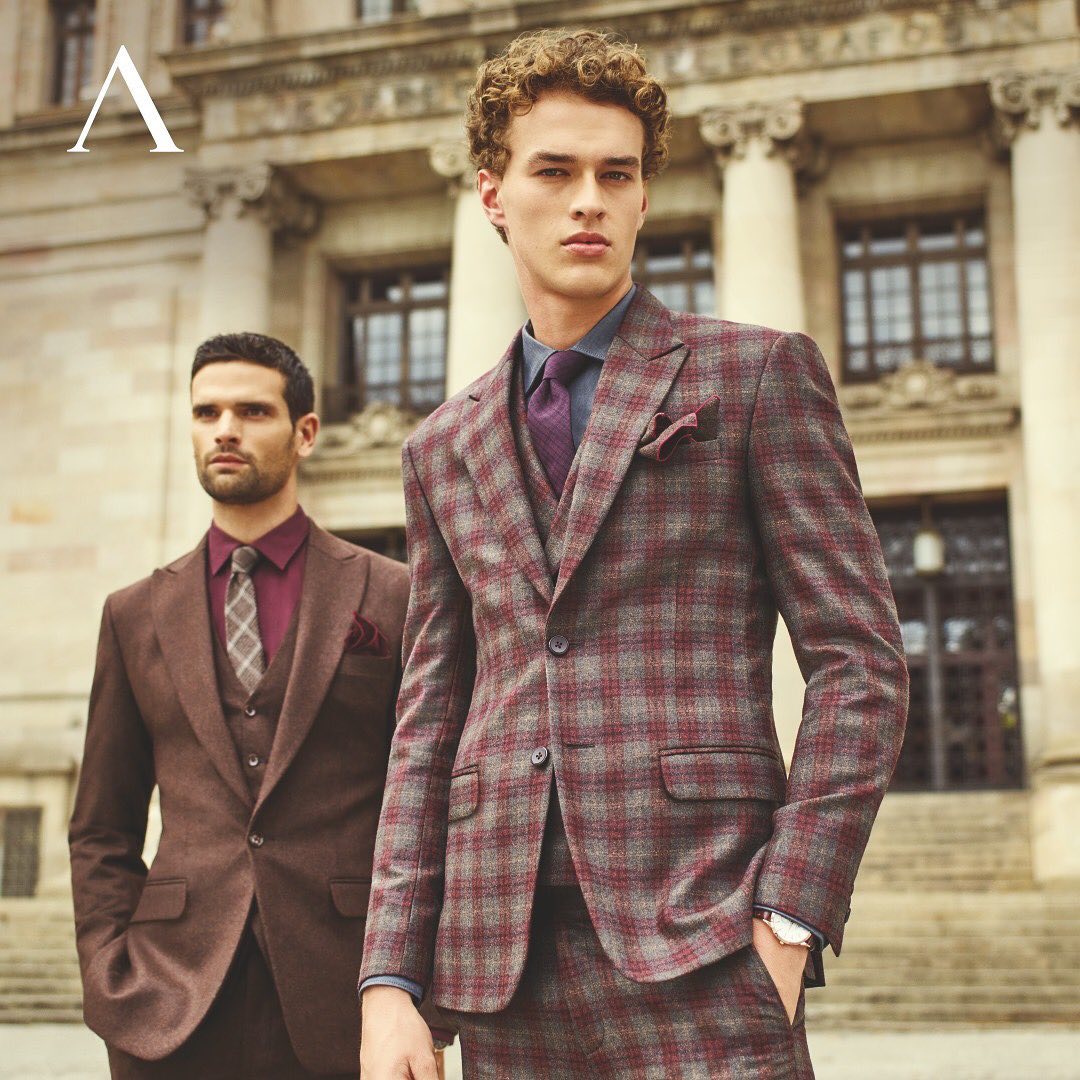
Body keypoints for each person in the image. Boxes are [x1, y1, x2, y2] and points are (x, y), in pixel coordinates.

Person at [359, 28, 908, 1080]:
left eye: (617, 175)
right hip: (499, 971)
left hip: (706, 945)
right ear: (492, 193)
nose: (588, 201)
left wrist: (791, 917)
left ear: (646, 199)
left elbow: (861, 662)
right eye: (554, 171)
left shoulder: (756, 378)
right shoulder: (441, 448)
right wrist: (390, 977)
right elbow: (430, 719)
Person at [69, 333, 450, 1079]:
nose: (225, 430)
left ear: (305, 432)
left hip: (347, 995)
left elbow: (432, 798)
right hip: (168, 1000)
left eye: (251, 410)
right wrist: (110, 973)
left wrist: (415, 990)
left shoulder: (392, 594)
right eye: (206, 412)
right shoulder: (134, 613)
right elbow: (101, 825)